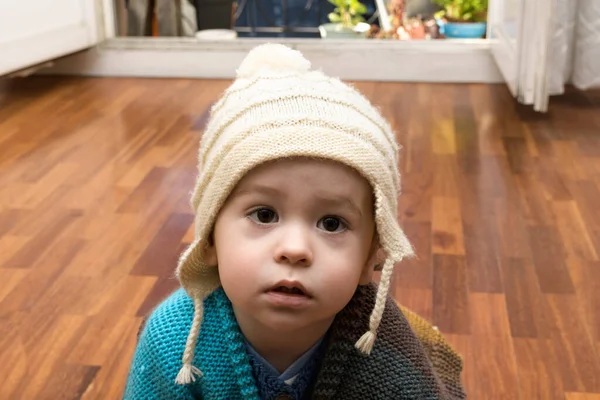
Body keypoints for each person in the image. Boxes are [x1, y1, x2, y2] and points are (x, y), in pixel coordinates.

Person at [123, 43, 465, 399]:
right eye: (265, 215)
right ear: (208, 240)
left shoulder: (389, 350)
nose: (295, 249)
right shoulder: (172, 342)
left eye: (332, 223)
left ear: (370, 259)